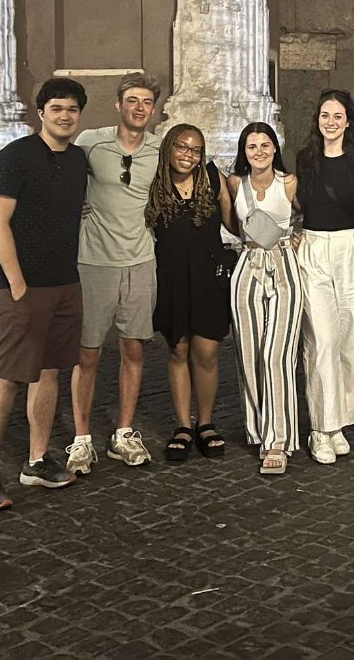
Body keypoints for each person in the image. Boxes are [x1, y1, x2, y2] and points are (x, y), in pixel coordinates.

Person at [0, 78, 89, 511]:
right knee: (8, 376)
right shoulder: (14, 157)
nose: (64, 116)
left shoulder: (77, 160)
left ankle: (36, 461)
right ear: (41, 112)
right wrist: (17, 283)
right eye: (57, 108)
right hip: (26, 288)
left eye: (72, 109)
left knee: (51, 372)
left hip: (65, 283)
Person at [65, 72, 162, 474]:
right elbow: (61, 175)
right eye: (132, 101)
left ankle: (123, 433)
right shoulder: (91, 141)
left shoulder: (160, 147)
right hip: (94, 261)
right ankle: (81, 439)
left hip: (140, 260)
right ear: (119, 105)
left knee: (134, 349)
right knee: (86, 353)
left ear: (153, 109)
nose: (139, 109)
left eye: (146, 103)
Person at [145, 123, 235, 462]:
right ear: (169, 148)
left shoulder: (213, 178)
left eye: (196, 150)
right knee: (178, 351)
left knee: (207, 353)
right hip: (171, 278)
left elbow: (234, 223)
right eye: (182, 147)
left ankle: (206, 422)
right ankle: (183, 425)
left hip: (208, 277)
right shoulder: (155, 183)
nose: (188, 154)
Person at [294, 90, 354, 464]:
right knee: (322, 339)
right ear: (318, 120)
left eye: (338, 116)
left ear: (348, 121)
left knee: (350, 340)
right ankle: (320, 429)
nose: (330, 122)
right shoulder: (306, 159)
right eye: (325, 115)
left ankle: (339, 421)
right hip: (313, 248)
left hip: (353, 247)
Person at [226, 123, 304, 476]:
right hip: (247, 268)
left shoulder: (289, 182)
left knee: (278, 354)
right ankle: (258, 430)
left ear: (276, 148)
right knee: (249, 354)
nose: (259, 151)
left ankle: (278, 439)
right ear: (244, 151)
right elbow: (230, 223)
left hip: (284, 266)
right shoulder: (234, 184)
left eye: (265, 144)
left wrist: (300, 235)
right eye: (252, 145)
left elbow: (308, 215)